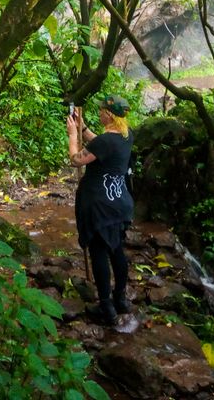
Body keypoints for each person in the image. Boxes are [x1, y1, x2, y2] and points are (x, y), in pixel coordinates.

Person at [66, 95, 134, 325]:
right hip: (119, 203)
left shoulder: (105, 142)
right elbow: (100, 145)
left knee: (99, 254)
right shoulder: (126, 135)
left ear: (109, 114)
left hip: (100, 206)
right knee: (116, 250)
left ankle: (106, 307)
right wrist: (83, 127)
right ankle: (120, 299)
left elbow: (76, 160)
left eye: (102, 110)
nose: (99, 113)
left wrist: (73, 136)